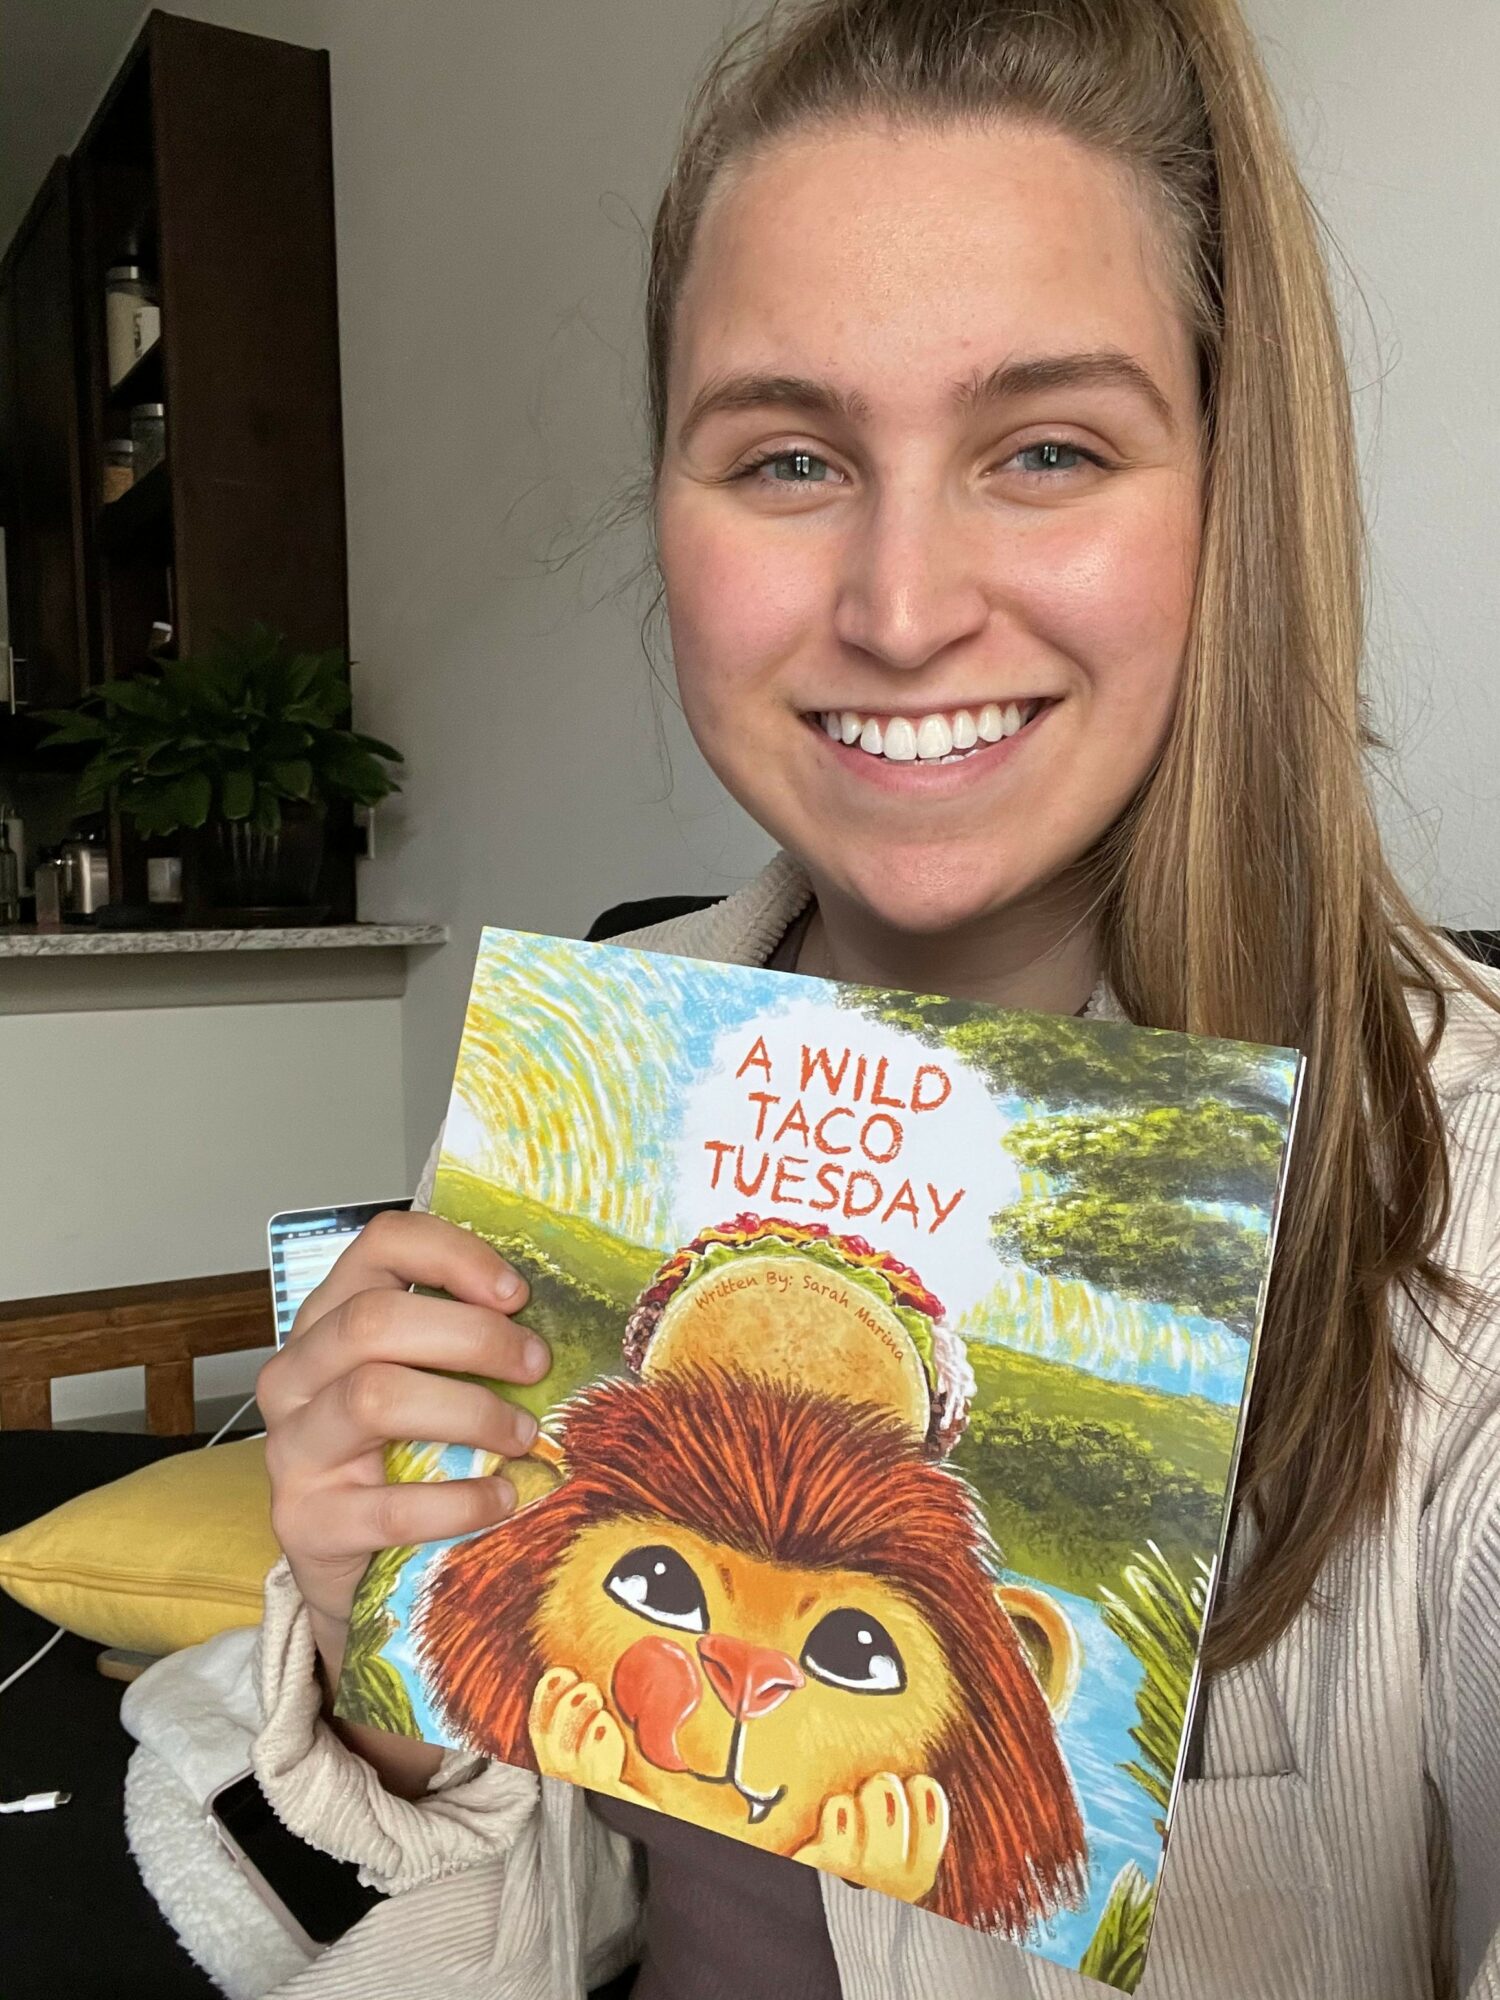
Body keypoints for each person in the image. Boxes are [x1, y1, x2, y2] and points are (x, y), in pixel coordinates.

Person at [123, 1, 1500, 1995]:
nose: (902, 606)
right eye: (787, 456)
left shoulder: (1466, 1197)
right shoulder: (608, 1058)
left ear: (1230, 485)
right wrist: (387, 1654)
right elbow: (522, 1868)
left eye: (1047, 448)